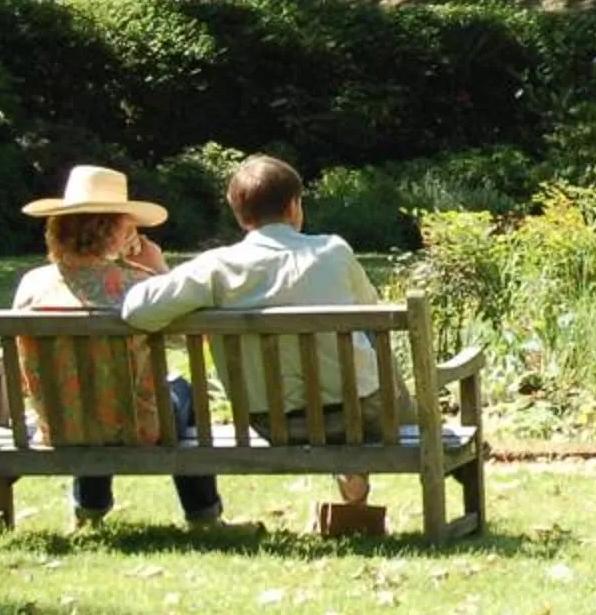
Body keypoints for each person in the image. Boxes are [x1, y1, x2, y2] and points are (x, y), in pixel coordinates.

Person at [118, 153, 400, 535]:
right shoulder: (334, 251)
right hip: (358, 415)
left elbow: (136, 311)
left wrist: (154, 265)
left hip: (272, 419)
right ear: (294, 206)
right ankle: (353, 472)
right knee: (370, 371)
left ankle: (349, 474)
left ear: (239, 214)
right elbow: (370, 310)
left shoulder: (217, 266)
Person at [12, 165, 248, 534]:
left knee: (89, 395)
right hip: (137, 425)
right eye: (128, 228)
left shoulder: (32, 285)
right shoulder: (137, 286)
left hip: (61, 425)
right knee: (183, 390)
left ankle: (90, 509)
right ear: (114, 232)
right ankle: (203, 513)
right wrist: (159, 272)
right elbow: (183, 337)